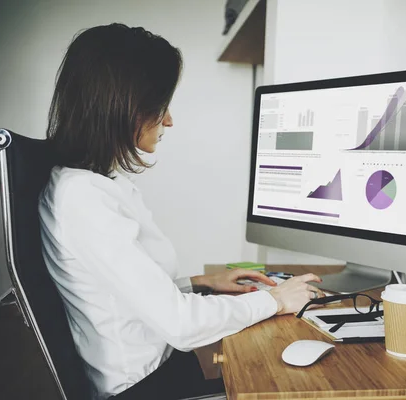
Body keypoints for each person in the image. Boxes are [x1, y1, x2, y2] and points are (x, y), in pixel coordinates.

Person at [38, 23, 325, 400]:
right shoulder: (83, 199)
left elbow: (120, 293)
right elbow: (180, 323)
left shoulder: (92, 185)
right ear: (120, 105)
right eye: (160, 107)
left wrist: (200, 283)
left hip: (164, 372)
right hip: (145, 389)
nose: (169, 120)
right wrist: (277, 299)